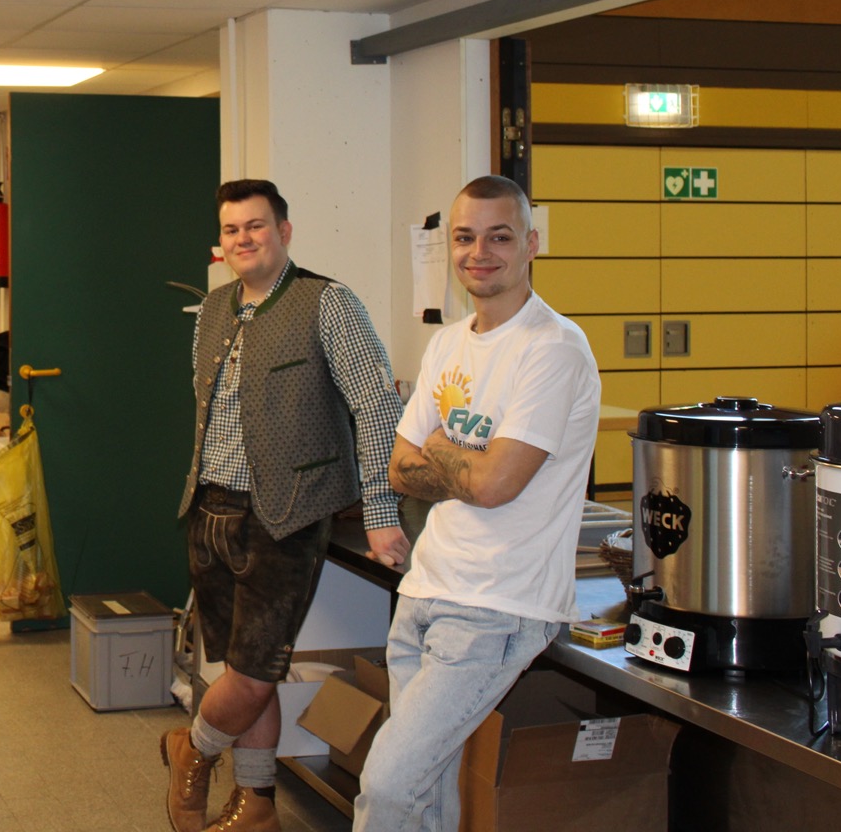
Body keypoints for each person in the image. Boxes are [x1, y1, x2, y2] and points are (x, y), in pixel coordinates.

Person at [352, 175, 600, 832]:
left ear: (531, 245)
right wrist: (467, 463)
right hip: (425, 589)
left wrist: (442, 449)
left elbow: (496, 487)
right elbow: (400, 469)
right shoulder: (449, 342)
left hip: (498, 605)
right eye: (465, 237)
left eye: (499, 237)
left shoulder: (553, 348)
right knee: (425, 796)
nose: (479, 253)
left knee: (388, 786)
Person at [165, 179, 408, 832]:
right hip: (210, 510)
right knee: (245, 670)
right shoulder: (213, 310)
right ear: (221, 242)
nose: (243, 238)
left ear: (285, 232)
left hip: (285, 518)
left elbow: (378, 407)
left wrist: (381, 511)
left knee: (252, 671)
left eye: (257, 226)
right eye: (232, 229)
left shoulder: (327, 303)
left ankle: (192, 748)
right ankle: (257, 802)